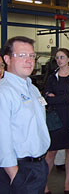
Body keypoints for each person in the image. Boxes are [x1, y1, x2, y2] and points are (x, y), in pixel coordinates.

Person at [0, 36, 50, 193]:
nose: (29, 60)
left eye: (32, 55)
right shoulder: (4, 92)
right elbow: (2, 137)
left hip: (39, 166)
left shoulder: (32, 89)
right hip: (19, 170)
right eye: (22, 55)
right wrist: (15, 175)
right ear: (7, 59)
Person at [43, 48, 69, 194]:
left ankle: (67, 183)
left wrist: (57, 98)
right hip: (56, 118)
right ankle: (44, 185)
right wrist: (66, 98)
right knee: (51, 152)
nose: (59, 60)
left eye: (62, 57)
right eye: (57, 58)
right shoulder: (52, 77)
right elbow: (47, 98)